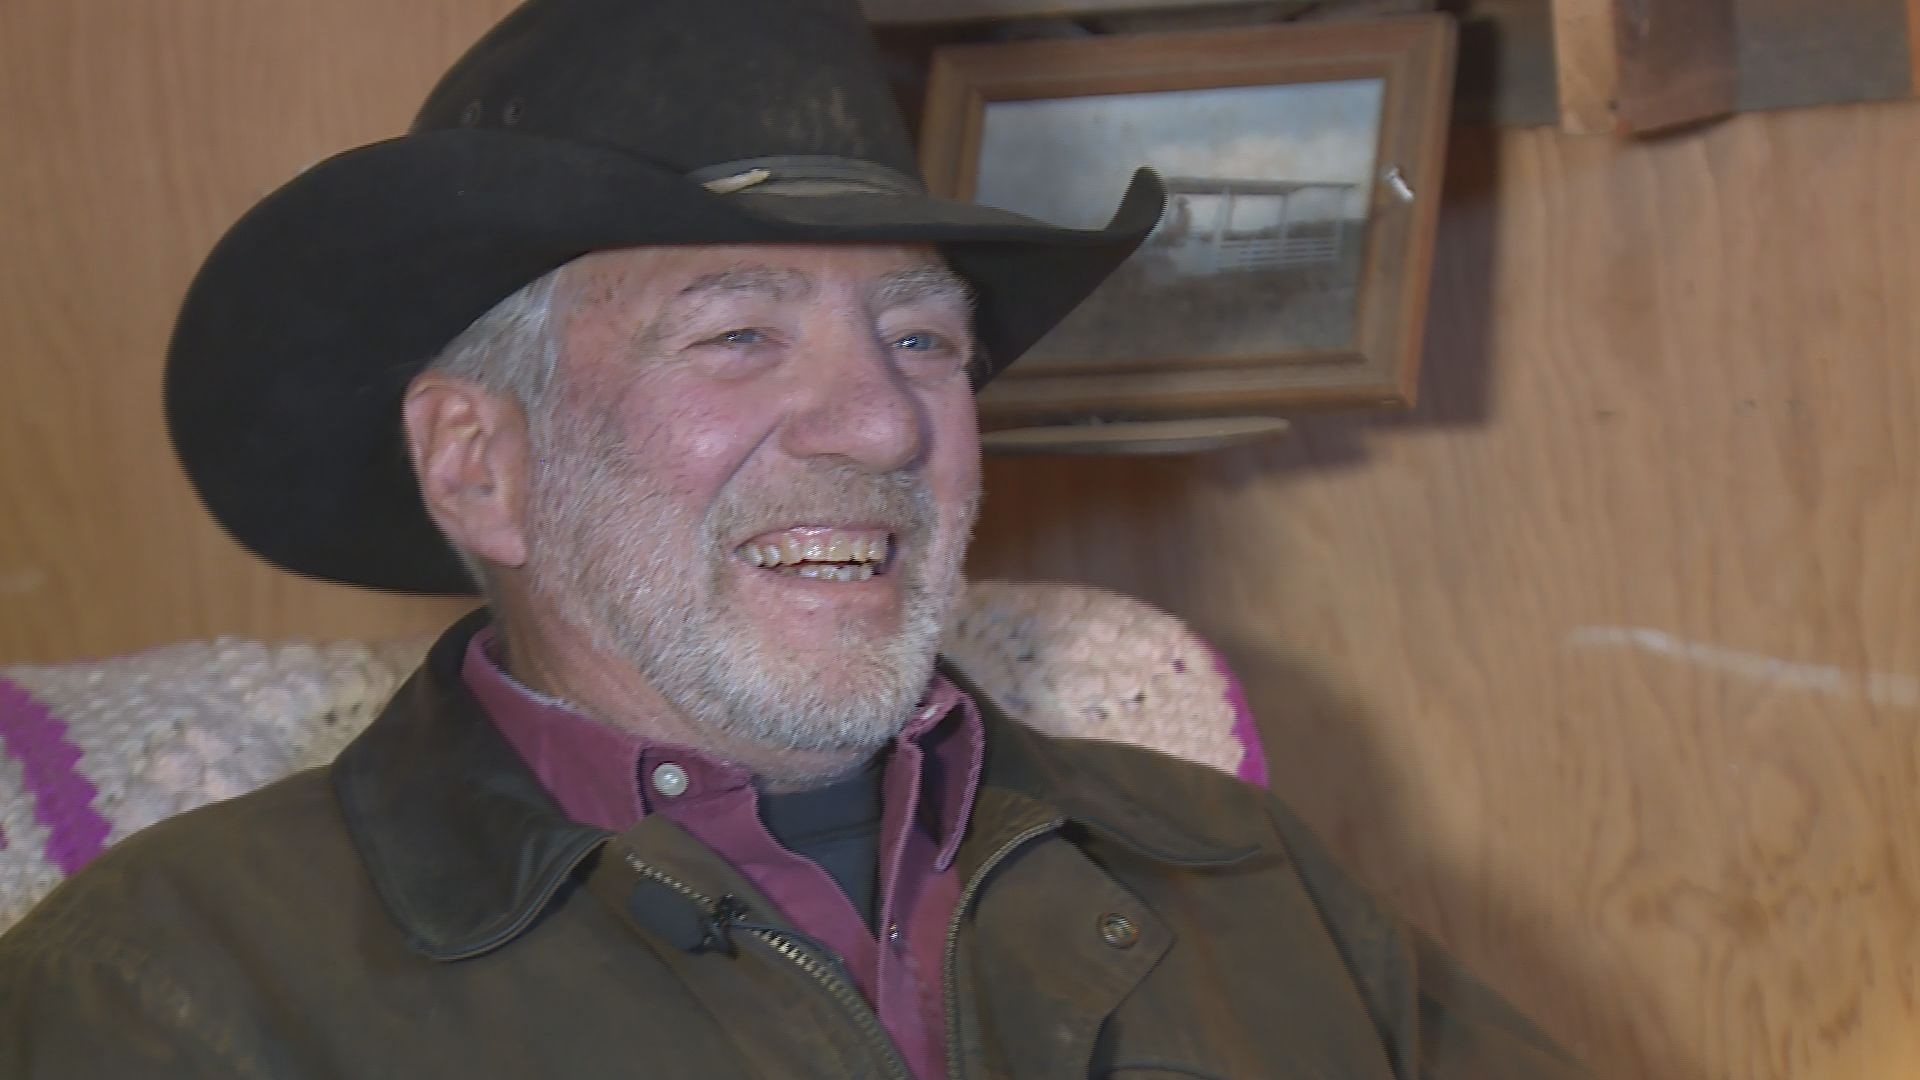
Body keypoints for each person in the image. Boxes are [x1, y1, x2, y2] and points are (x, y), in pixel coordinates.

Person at [0, 0, 1590, 1076]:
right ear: (482, 464)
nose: (886, 426)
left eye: (920, 340)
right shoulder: (174, 990)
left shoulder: (1241, 877)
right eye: (740, 334)